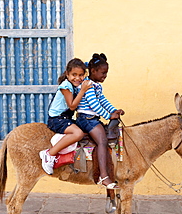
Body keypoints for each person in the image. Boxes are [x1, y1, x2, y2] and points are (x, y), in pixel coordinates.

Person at [76, 53, 124, 189]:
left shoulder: (96, 86)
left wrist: (114, 110)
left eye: (106, 73)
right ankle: (104, 177)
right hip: (86, 119)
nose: (105, 76)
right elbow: (94, 105)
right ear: (93, 71)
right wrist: (109, 116)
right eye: (103, 73)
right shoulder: (89, 85)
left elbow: (103, 101)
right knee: (102, 141)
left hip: (92, 118)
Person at [39, 58, 92, 175]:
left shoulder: (74, 85)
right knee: (78, 133)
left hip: (65, 118)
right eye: (74, 75)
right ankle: (49, 154)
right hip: (57, 119)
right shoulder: (66, 86)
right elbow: (72, 106)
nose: (77, 78)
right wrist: (83, 90)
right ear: (67, 74)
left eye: (81, 75)